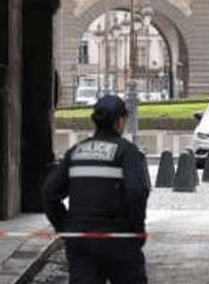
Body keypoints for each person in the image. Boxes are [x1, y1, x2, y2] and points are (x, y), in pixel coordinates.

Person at [43, 95, 150, 284]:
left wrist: (65, 228)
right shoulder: (129, 152)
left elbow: (49, 193)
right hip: (118, 238)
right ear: (119, 122)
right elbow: (137, 193)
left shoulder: (75, 151)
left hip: (80, 239)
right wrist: (137, 230)